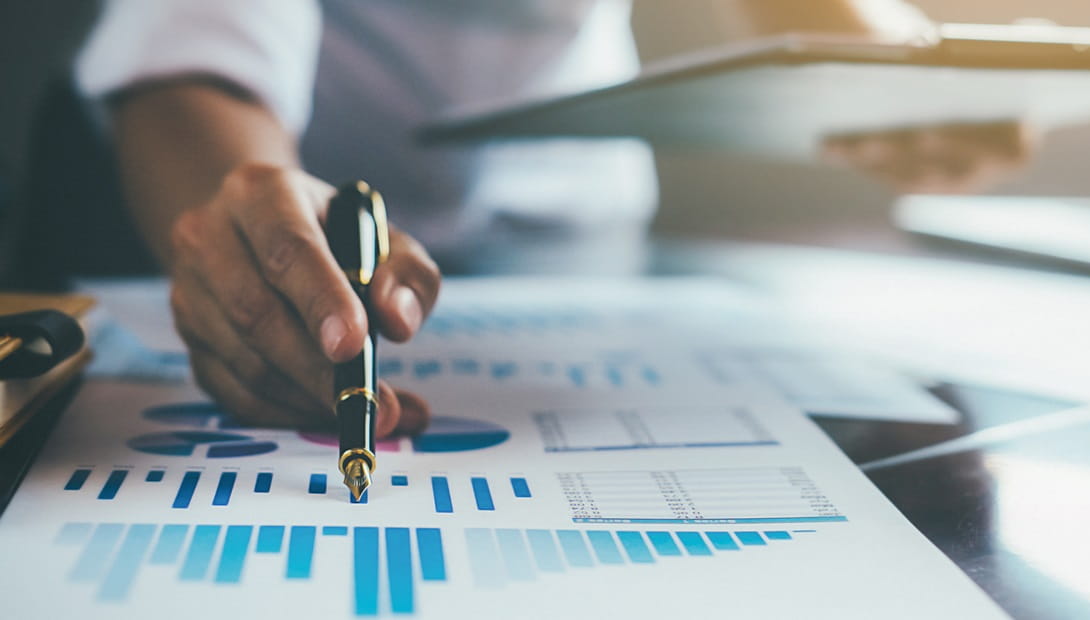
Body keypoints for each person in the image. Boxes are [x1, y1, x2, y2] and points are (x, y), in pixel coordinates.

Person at [75, 0, 1021, 434]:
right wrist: (246, 207)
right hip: (330, 239)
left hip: (592, 246)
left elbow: (835, 23)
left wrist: (905, 67)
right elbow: (190, 54)